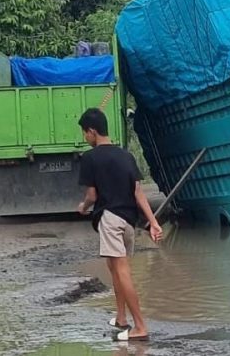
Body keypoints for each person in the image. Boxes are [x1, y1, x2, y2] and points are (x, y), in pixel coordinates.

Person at [76, 108, 162, 342]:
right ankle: (122, 318)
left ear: (92, 132)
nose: (85, 138)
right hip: (128, 222)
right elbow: (138, 192)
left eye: (85, 133)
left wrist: (83, 207)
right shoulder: (126, 155)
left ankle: (140, 327)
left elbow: (92, 196)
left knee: (122, 272)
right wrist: (153, 222)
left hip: (110, 220)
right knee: (115, 268)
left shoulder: (90, 158)